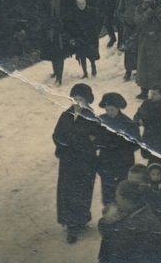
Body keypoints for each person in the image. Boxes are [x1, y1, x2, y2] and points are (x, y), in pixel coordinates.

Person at [52, 83, 99, 244]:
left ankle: (80, 220)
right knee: (67, 191)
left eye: (80, 99)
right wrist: (65, 146)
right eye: (74, 99)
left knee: (82, 191)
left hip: (85, 162)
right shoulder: (65, 115)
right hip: (68, 161)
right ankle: (71, 225)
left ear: (87, 101)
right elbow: (57, 134)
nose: (77, 102)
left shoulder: (92, 117)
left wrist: (81, 142)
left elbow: (96, 137)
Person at [97, 180, 161, 263]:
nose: (115, 200)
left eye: (117, 197)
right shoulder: (136, 211)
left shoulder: (139, 223)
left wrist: (107, 219)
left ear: (126, 200)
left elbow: (112, 241)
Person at [97, 92, 139, 207]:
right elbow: (95, 139)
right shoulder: (101, 120)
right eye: (107, 110)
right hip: (106, 162)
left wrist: (121, 146)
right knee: (108, 193)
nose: (109, 113)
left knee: (122, 192)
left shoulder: (128, 123)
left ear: (118, 108)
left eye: (112, 110)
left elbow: (136, 143)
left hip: (123, 163)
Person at [134, 86, 161, 166]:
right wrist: (139, 120)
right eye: (151, 93)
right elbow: (137, 116)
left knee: (157, 164)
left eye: (154, 94)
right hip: (149, 139)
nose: (151, 96)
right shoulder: (146, 103)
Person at [67, 0, 103, 79]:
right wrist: (73, 36)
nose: (81, 6)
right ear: (76, 4)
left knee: (91, 54)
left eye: (83, 3)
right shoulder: (74, 13)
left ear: (86, 2)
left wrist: (95, 32)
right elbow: (71, 25)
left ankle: (93, 67)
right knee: (81, 55)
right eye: (79, 4)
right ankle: (85, 72)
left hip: (91, 36)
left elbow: (99, 22)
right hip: (79, 37)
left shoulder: (92, 11)